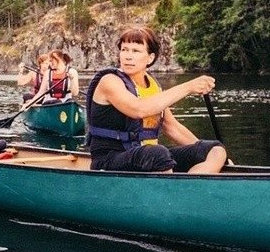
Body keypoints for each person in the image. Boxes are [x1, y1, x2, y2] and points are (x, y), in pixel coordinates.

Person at [84, 27, 225, 174]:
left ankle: (193, 186)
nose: (127, 56)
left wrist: (203, 151)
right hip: (109, 159)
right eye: (124, 49)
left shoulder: (152, 87)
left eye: (136, 51)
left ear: (150, 58)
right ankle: (174, 190)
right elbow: (138, 109)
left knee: (215, 149)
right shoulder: (110, 81)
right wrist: (189, 87)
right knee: (158, 154)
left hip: (146, 157)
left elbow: (172, 128)